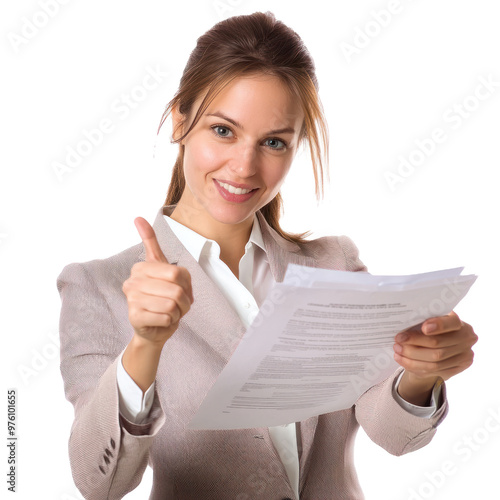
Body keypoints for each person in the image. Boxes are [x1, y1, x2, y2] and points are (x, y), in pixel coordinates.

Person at [56, 11, 478, 500]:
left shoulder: (333, 265)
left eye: (273, 142)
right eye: (223, 131)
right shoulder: (99, 287)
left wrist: (422, 372)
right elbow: (98, 481)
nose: (244, 166)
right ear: (180, 120)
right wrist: (145, 347)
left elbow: (392, 432)